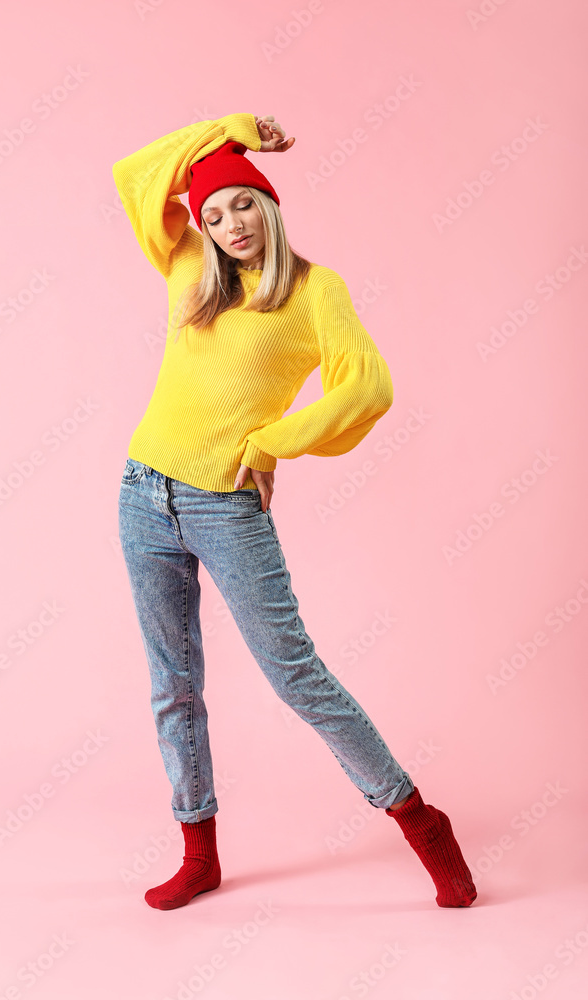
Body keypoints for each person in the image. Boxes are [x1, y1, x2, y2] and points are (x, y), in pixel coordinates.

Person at [112, 113, 477, 911]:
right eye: (210, 214)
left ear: (268, 205)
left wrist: (274, 441)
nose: (227, 225)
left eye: (240, 204)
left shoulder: (315, 290)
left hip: (223, 507)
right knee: (173, 685)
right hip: (142, 494)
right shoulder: (185, 268)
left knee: (296, 676)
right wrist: (230, 128)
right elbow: (135, 172)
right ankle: (198, 851)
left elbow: (367, 385)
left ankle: (420, 821)